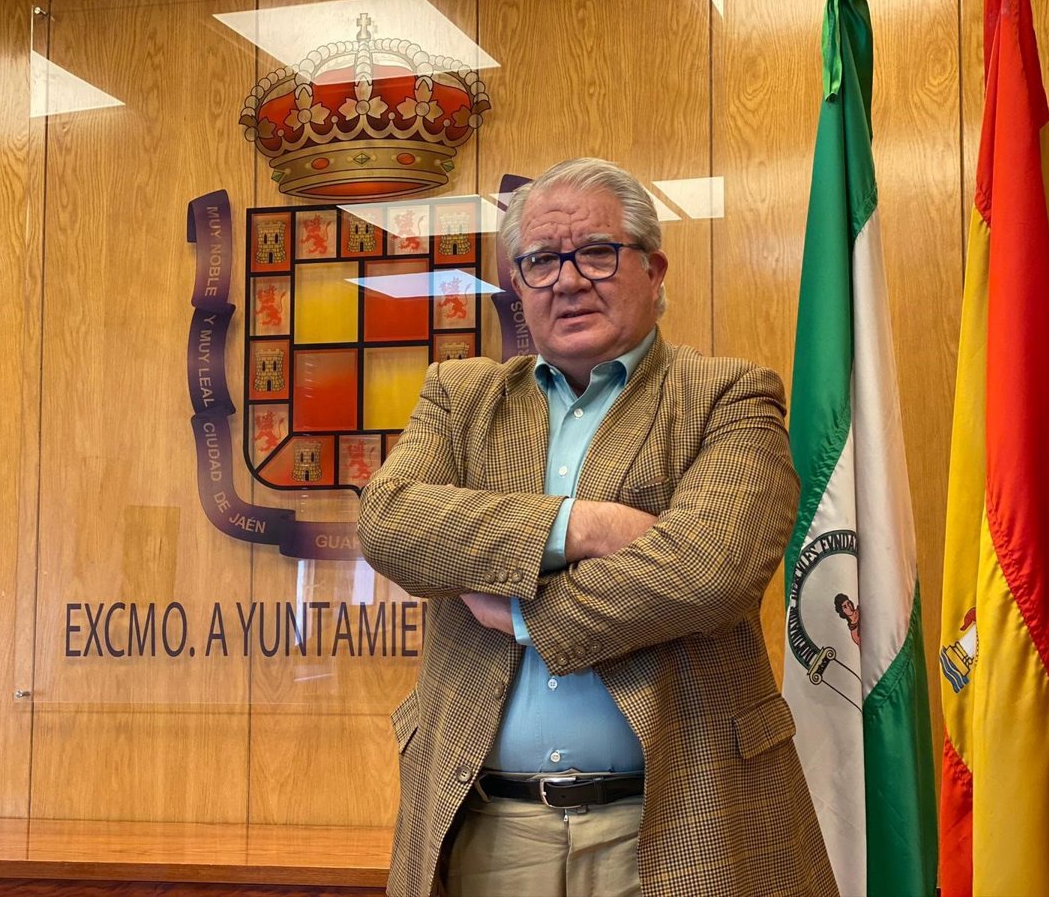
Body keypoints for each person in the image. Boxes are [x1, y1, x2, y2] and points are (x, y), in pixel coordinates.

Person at [358, 157, 836, 897]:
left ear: (654, 269)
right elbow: (389, 524)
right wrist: (580, 525)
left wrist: (521, 611)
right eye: (541, 261)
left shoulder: (729, 395)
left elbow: (708, 570)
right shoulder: (461, 397)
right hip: (486, 829)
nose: (568, 280)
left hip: (680, 823)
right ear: (519, 286)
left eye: (597, 253)